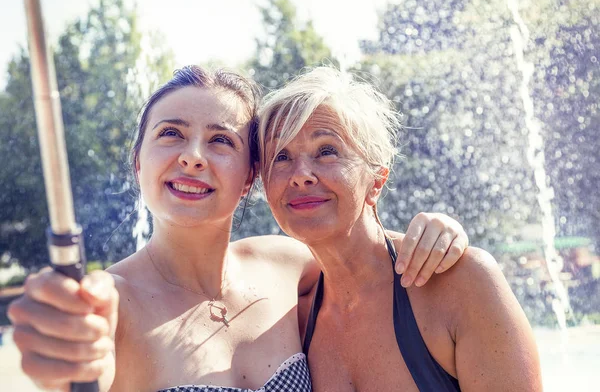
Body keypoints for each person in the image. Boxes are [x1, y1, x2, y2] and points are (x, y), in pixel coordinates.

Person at [8, 66, 469, 392]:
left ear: (251, 176)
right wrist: (64, 355)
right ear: (138, 162)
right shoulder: (109, 301)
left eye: (220, 140)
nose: (193, 156)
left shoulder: (286, 264)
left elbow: (366, 255)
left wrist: (435, 231)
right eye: (170, 133)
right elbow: (78, 359)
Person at [256, 66, 543, 391]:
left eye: (327, 151)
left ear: (376, 180)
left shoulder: (459, 285)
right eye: (281, 157)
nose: (301, 174)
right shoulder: (293, 323)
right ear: (264, 186)